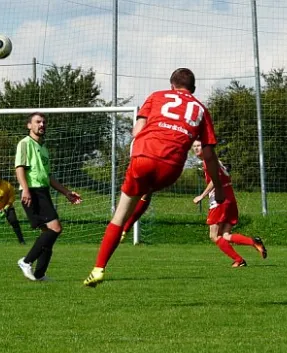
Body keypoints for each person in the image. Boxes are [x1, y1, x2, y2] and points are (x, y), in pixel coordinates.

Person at [83, 68, 225, 287]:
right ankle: (128, 228)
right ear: (193, 89)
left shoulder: (158, 96)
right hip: (171, 168)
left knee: (119, 215)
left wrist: (142, 143)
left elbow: (137, 130)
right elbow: (209, 154)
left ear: (172, 86)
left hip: (144, 158)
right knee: (147, 190)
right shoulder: (201, 109)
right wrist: (218, 186)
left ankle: (99, 268)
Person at [15, 112, 82, 281]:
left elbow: (49, 176)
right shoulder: (25, 143)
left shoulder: (43, 148)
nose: (42, 125)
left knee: (48, 234)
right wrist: (25, 189)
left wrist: (66, 192)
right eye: (37, 122)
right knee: (56, 228)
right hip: (32, 191)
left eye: (44, 122)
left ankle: (39, 274)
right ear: (29, 125)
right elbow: (19, 168)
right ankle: (26, 261)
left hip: (42, 191)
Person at [192, 140, 267, 267]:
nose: (196, 148)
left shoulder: (209, 161)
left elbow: (215, 180)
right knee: (225, 235)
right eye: (194, 146)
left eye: (199, 145)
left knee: (214, 236)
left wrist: (202, 196)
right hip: (229, 198)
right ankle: (253, 242)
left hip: (219, 200)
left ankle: (239, 260)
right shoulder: (215, 160)